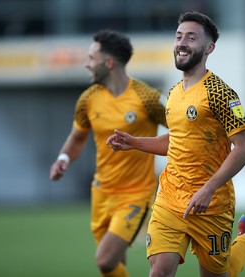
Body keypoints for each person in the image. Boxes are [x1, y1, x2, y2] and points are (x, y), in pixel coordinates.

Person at [107, 11, 245, 277]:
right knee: (159, 272)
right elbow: (178, 141)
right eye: (179, 36)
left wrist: (208, 189)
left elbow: (244, 148)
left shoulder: (221, 93)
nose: (182, 43)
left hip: (212, 203)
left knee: (220, 274)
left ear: (209, 48)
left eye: (191, 38)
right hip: (170, 199)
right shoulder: (173, 94)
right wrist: (135, 142)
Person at [49, 29, 167, 277]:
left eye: (91, 58)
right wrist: (64, 158)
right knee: (114, 264)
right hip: (101, 193)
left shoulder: (147, 98)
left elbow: (181, 130)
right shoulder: (88, 99)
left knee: (104, 260)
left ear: (109, 62)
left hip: (136, 194)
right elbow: (77, 137)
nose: (86, 64)